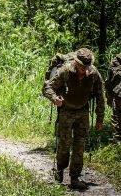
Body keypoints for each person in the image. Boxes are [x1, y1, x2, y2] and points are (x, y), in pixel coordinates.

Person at [43, 48, 105, 189]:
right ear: (76, 63)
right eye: (82, 67)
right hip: (66, 111)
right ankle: (59, 170)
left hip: (83, 112)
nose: (84, 70)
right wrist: (54, 98)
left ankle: (75, 177)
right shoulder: (65, 71)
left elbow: (101, 96)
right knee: (65, 144)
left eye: (86, 67)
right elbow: (48, 88)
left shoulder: (94, 74)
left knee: (79, 146)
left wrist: (100, 118)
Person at [105, 54, 121, 143]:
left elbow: (109, 82)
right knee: (116, 119)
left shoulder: (116, 60)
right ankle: (117, 142)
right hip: (118, 95)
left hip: (118, 96)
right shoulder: (117, 60)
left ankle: (117, 142)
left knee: (116, 119)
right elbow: (109, 82)